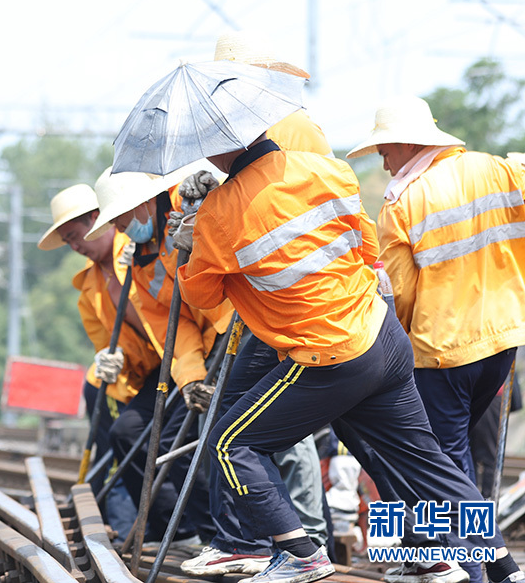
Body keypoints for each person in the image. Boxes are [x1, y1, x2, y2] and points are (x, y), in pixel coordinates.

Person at [173, 91, 525, 583]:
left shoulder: (219, 213)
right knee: (434, 468)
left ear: (215, 150)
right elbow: (366, 247)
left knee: (231, 443)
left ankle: (298, 551)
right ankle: (505, 570)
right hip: (386, 338)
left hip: (331, 353)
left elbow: (205, 298)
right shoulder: (328, 170)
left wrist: (186, 248)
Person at [347, 96, 525, 583]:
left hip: (442, 348)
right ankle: (439, 555)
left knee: (444, 466)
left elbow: (400, 293)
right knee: (452, 460)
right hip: (504, 339)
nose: (383, 162)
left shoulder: (403, 201)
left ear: (407, 143)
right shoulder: (498, 170)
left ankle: (472, 566)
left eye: (385, 151)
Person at [179, 30, 330, 578]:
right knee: (240, 422)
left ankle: (291, 542)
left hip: (297, 301)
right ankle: (248, 539)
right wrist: (198, 207)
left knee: (267, 431)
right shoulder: (235, 131)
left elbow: (305, 206)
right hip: (261, 303)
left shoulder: (294, 127)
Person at [85, 164, 232, 544]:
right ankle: (181, 530)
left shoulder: (191, 201)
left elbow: (232, 233)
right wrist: (192, 377)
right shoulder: (139, 260)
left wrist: (205, 207)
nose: (118, 230)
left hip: (234, 327)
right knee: (130, 431)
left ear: (144, 202)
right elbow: (175, 325)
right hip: (195, 348)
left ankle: (220, 536)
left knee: (180, 443)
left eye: (119, 219)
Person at [36, 182, 144, 536]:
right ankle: (119, 523)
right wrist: (112, 359)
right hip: (129, 377)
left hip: (176, 363)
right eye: (67, 242)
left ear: (97, 219)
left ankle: (135, 523)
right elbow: (104, 342)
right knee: (103, 410)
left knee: (124, 437)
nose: (75, 246)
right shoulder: (89, 288)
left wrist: (142, 268)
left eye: (75, 235)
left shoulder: (140, 250)